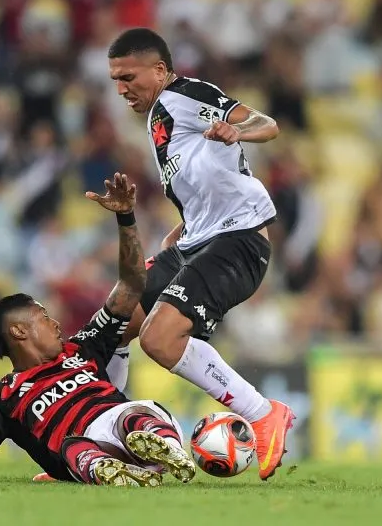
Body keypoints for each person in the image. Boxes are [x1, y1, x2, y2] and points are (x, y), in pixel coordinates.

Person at [0, 174, 197, 487]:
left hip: (121, 424)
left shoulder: (83, 346)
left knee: (133, 414)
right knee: (74, 446)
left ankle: (167, 449)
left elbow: (130, 285)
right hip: (83, 453)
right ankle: (114, 471)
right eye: (43, 317)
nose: (55, 323)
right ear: (18, 331)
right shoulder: (3, 396)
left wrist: (126, 218)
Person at [104, 28, 293, 480]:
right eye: (114, 79)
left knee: (159, 339)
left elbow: (266, 124)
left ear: (160, 70)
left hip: (240, 241)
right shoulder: (157, 121)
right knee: (112, 323)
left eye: (128, 76)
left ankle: (264, 413)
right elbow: (205, 191)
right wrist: (178, 236)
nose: (120, 88)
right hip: (197, 242)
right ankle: (99, 441)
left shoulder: (184, 94)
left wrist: (237, 128)